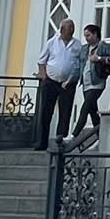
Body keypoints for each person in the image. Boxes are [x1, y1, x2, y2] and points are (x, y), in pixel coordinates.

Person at [35, 19, 83, 149]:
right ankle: (42, 142)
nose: (71, 31)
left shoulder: (77, 45)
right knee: (46, 112)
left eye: (72, 29)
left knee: (65, 112)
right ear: (62, 30)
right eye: (68, 29)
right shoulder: (52, 43)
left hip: (68, 83)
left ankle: (60, 142)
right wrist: (44, 76)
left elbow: (80, 62)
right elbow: (41, 61)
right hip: (51, 81)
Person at [70, 23, 109, 141]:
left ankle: (74, 135)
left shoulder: (102, 46)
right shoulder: (84, 49)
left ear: (95, 34)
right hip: (86, 83)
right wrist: (70, 79)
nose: (86, 38)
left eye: (88, 35)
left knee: (85, 107)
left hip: (97, 82)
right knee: (92, 111)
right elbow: (78, 65)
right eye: (85, 36)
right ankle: (101, 137)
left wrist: (99, 59)